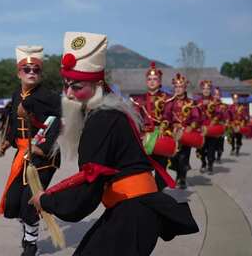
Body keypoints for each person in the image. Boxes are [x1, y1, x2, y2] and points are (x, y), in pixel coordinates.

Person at [30, 32, 198, 256]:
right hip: (134, 209)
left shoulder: (101, 120)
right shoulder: (107, 112)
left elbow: (88, 192)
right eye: (66, 84)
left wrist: (47, 201)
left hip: (134, 212)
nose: (68, 93)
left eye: (77, 86)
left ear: (97, 84)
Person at [0, 45, 61, 256]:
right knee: (14, 200)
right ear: (19, 73)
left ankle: (31, 244)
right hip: (22, 153)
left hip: (43, 157)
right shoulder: (17, 94)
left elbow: (56, 121)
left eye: (36, 70)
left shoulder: (48, 96)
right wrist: (7, 141)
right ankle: (28, 234)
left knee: (30, 201)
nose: (32, 72)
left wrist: (42, 147)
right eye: (27, 69)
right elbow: (13, 121)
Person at [130, 62, 174, 191]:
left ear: (160, 81)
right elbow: (135, 117)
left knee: (161, 168)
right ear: (146, 81)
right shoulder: (139, 99)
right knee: (143, 168)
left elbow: (168, 115)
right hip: (145, 138)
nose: (152, 82)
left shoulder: (167, 98)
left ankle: (159, 192)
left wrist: (163, 127)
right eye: (149, 79)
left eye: (155, 79)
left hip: (160, 136)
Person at [163, 73, 202, 182]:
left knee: (183, 157)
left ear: (185, 88)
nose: (178, 89)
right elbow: (166, 116)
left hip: (185, 133)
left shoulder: (191, 103)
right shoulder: (170, 102)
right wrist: (167, 125)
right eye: (176, 87)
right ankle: (178, 174)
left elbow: (196, 117)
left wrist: (191, 126)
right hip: (173, 133)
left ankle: (182, 178)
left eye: (180, 87)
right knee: (174, 157)